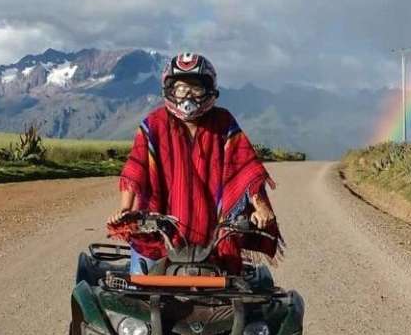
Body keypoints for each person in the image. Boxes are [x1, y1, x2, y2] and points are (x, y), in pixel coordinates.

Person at [108, 53, 281, 274]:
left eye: (196, 88)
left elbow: (245, 167)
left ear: (209, 89)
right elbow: (136, 168)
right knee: (139, 289)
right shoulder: (154, 124)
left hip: (214, 235)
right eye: (181, 88)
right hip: (160, 234)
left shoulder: (223, 122)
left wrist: (261, 209)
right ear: (170, 90)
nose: (188, 95)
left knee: (236, 294)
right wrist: (125, 211)